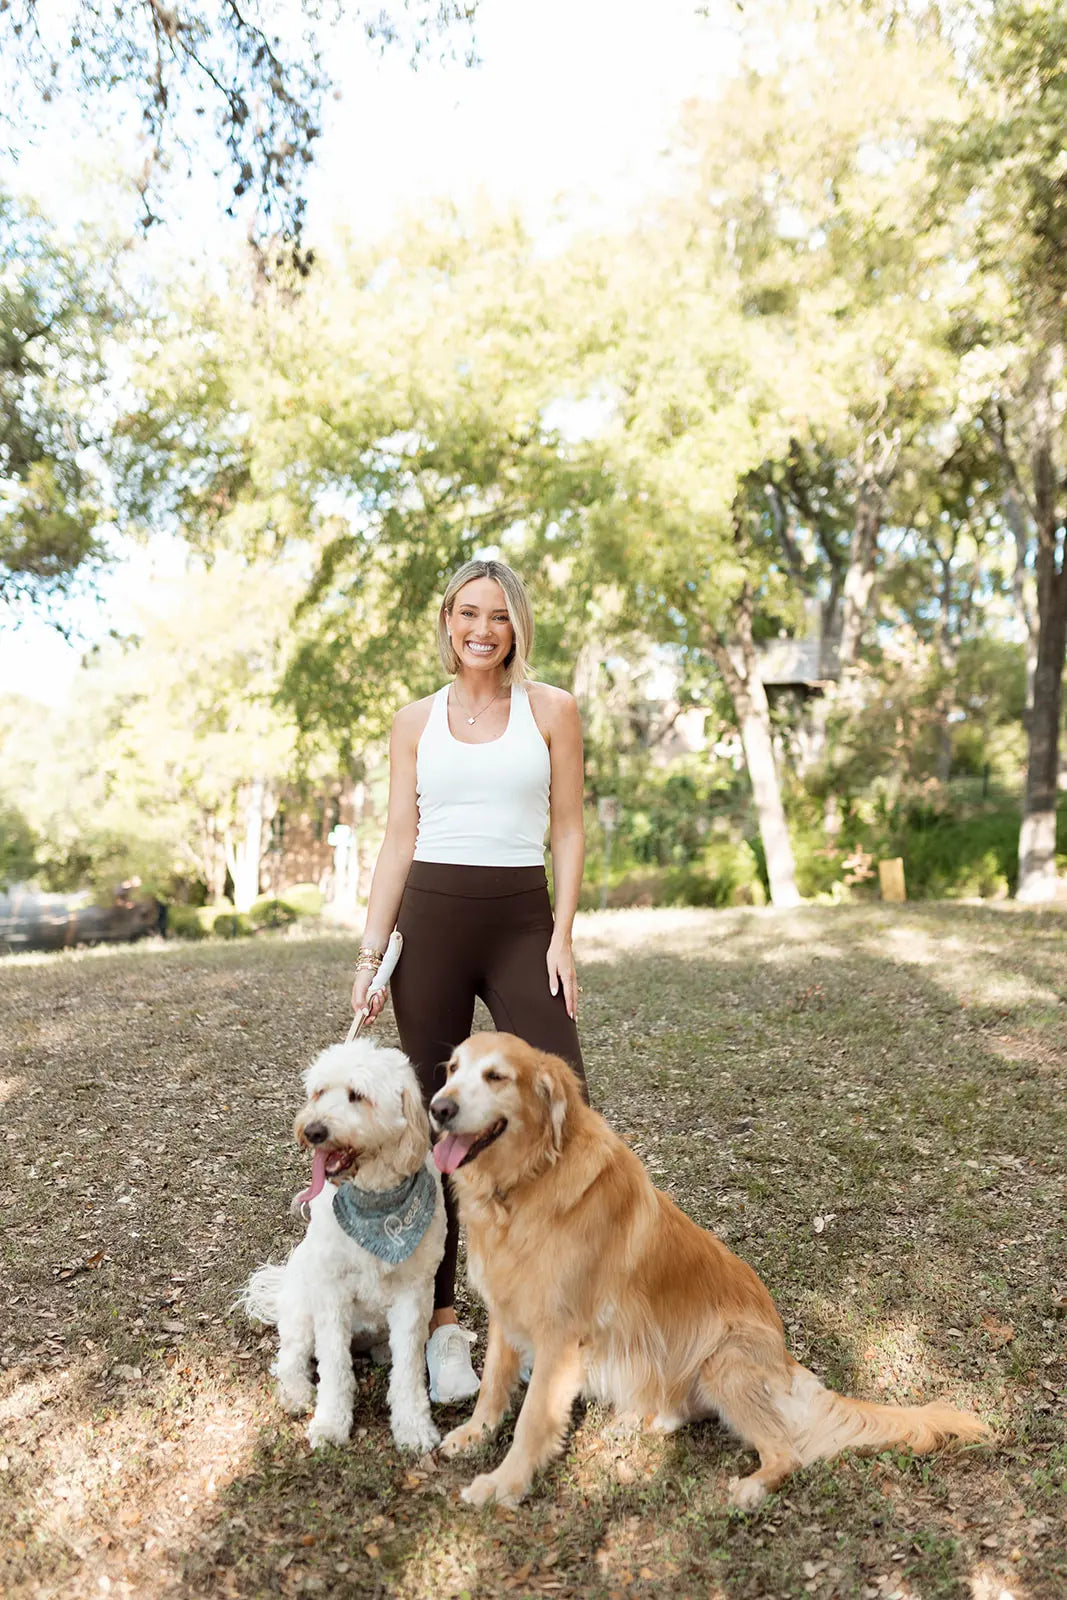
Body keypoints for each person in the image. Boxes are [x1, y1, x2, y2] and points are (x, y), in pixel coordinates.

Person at [351, 557, 588, 1403]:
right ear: (447, 621)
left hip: (522, 920)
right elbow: (396, 838)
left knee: (562, 1096)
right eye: (467, 613)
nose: (482, 629)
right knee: (432, 1120)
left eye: (497, 615)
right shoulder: (414, 720)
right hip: (434, 925)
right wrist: (373, 952)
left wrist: (561, 935)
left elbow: (566, 828)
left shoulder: (551, 709)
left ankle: (554, 1309)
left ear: (517, 625)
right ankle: (445, 1325)